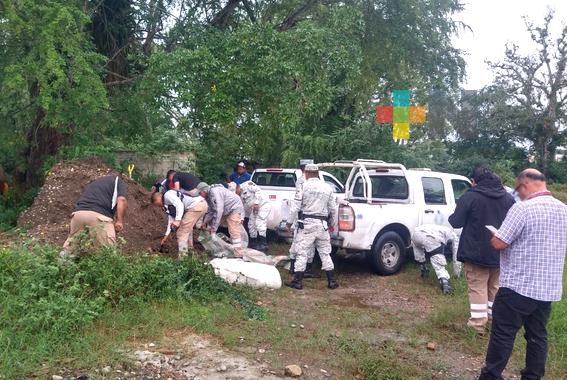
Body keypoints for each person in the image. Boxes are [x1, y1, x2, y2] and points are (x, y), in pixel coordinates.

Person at [478, 169, 567, 380]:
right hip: (547, 289)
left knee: (503, 335)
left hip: (519, 286)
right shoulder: (564, 210)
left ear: (524, 185)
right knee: (537, 336)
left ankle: (491, 375)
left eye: (518, 189)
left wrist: (496, 235)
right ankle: (532, 376)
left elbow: (499, 243)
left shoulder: (522, 209)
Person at [449, 166, 515, 333]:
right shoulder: (508, 198)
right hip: (500, 250)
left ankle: (478, 324)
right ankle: (493, 318)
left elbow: (456, 222)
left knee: (477, 286)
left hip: (475, 251)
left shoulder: (471, 196)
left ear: (474, 182)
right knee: (495, 286)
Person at [285, 164, 338, 290]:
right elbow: (333, 209)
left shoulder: (303, 186)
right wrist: (332, 224)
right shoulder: (328, 188)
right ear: (318, 173)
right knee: (325, 253)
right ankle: (332, 281)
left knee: (302, 252)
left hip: (307, 224)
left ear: (307, 173)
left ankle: (297, 281)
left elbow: (295, 207)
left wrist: (289, 223)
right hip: (322, 225)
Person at [62, 175, 128, 253]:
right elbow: (122, 200)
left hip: (78, 215)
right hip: (99, 216)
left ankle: (61, 263)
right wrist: (119, 221)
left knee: (70, 249)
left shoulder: (94, 184)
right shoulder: (118, 180)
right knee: (107, 254)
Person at [151, 189, 208, 256]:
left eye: (156, 204)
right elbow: (171, 220)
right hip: (201, 204)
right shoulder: (168, 204)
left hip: (196, 206)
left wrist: (178, 220)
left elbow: (179, 204)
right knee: (187, 230)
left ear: (158, 199)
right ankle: (190, 251)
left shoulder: (167, 195)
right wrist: (166, 236)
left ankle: (183, 259)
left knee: (181, 232)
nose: (158, 206)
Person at [411, 224, 462, 295]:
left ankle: (424, 269)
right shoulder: (454, 236)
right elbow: (456, 255)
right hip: (430, 237)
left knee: (418, 248)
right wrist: (456, 273)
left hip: (415, 234)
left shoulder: (440, 228)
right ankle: (445, 284)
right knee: (438, 262)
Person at [197, 182, 245, 256]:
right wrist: (204, 222)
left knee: (234, 230)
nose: (200, 196)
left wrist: (214, 228)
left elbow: (219, 210)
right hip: (226, 209)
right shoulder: (208, 196)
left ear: (204, 191)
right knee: (210, 224)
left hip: (234, 208)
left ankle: (239, 253)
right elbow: (211, 211)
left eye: (200, 193)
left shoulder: (215, 192)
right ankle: (213, 246)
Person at [288, 159, 318, 277]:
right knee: (307, 243)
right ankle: (304, 269)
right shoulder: (304, 182)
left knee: (298, 240)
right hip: (306, 215)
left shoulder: (301, 181)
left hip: (301, 214)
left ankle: (294, 266)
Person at [238, 180, 271, 252]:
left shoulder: (247, 185)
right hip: (253, 209)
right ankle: (254, 243)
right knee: (251, 224)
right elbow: (242, 208)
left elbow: (258, 191)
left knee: (259, 223)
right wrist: (242, 218)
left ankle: (263, 244)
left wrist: (256, 203)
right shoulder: (239, 195)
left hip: (263, 205)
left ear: (237, 187)